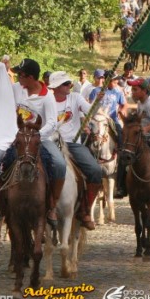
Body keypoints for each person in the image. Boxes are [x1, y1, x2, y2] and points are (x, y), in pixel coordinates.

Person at [0, 58, 65, 226]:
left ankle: (52, 205)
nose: (19, 79)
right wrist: (2, 70)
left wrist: (34, 137)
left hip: (40, 140)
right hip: (14, 138)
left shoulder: (47, 97)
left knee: (60, 164)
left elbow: (52, 123)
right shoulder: (16, 89)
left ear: (30, 77)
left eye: (20, 75)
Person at [48, 71, 104, 230]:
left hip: (73, 144)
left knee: (95, 171)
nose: (69, 86)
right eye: (66, 84)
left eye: (69, 83)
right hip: (52, 143)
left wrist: (97, 102)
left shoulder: (75, 98)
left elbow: (91, 111)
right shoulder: (48, 101)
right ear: (57, 87)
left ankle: (85, 208)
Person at [115, 78, 150, 198]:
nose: (132, 92)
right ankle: (121, 187)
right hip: (146, 137)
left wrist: (146, 129)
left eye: (135, 89)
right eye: (132, 89)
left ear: (144, 91)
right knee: (125, 155)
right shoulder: (140, 103)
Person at [89, 73, 127, 144]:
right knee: (86, 134)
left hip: (112, 119)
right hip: (97, 118)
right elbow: (90, 105)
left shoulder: (118, 92)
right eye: (114, 81)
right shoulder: (96, 91)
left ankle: (119, 150)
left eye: (117, 81)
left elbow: (124, 104)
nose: (116, 83)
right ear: (107, 81)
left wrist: (122, 111)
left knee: (119, 133)